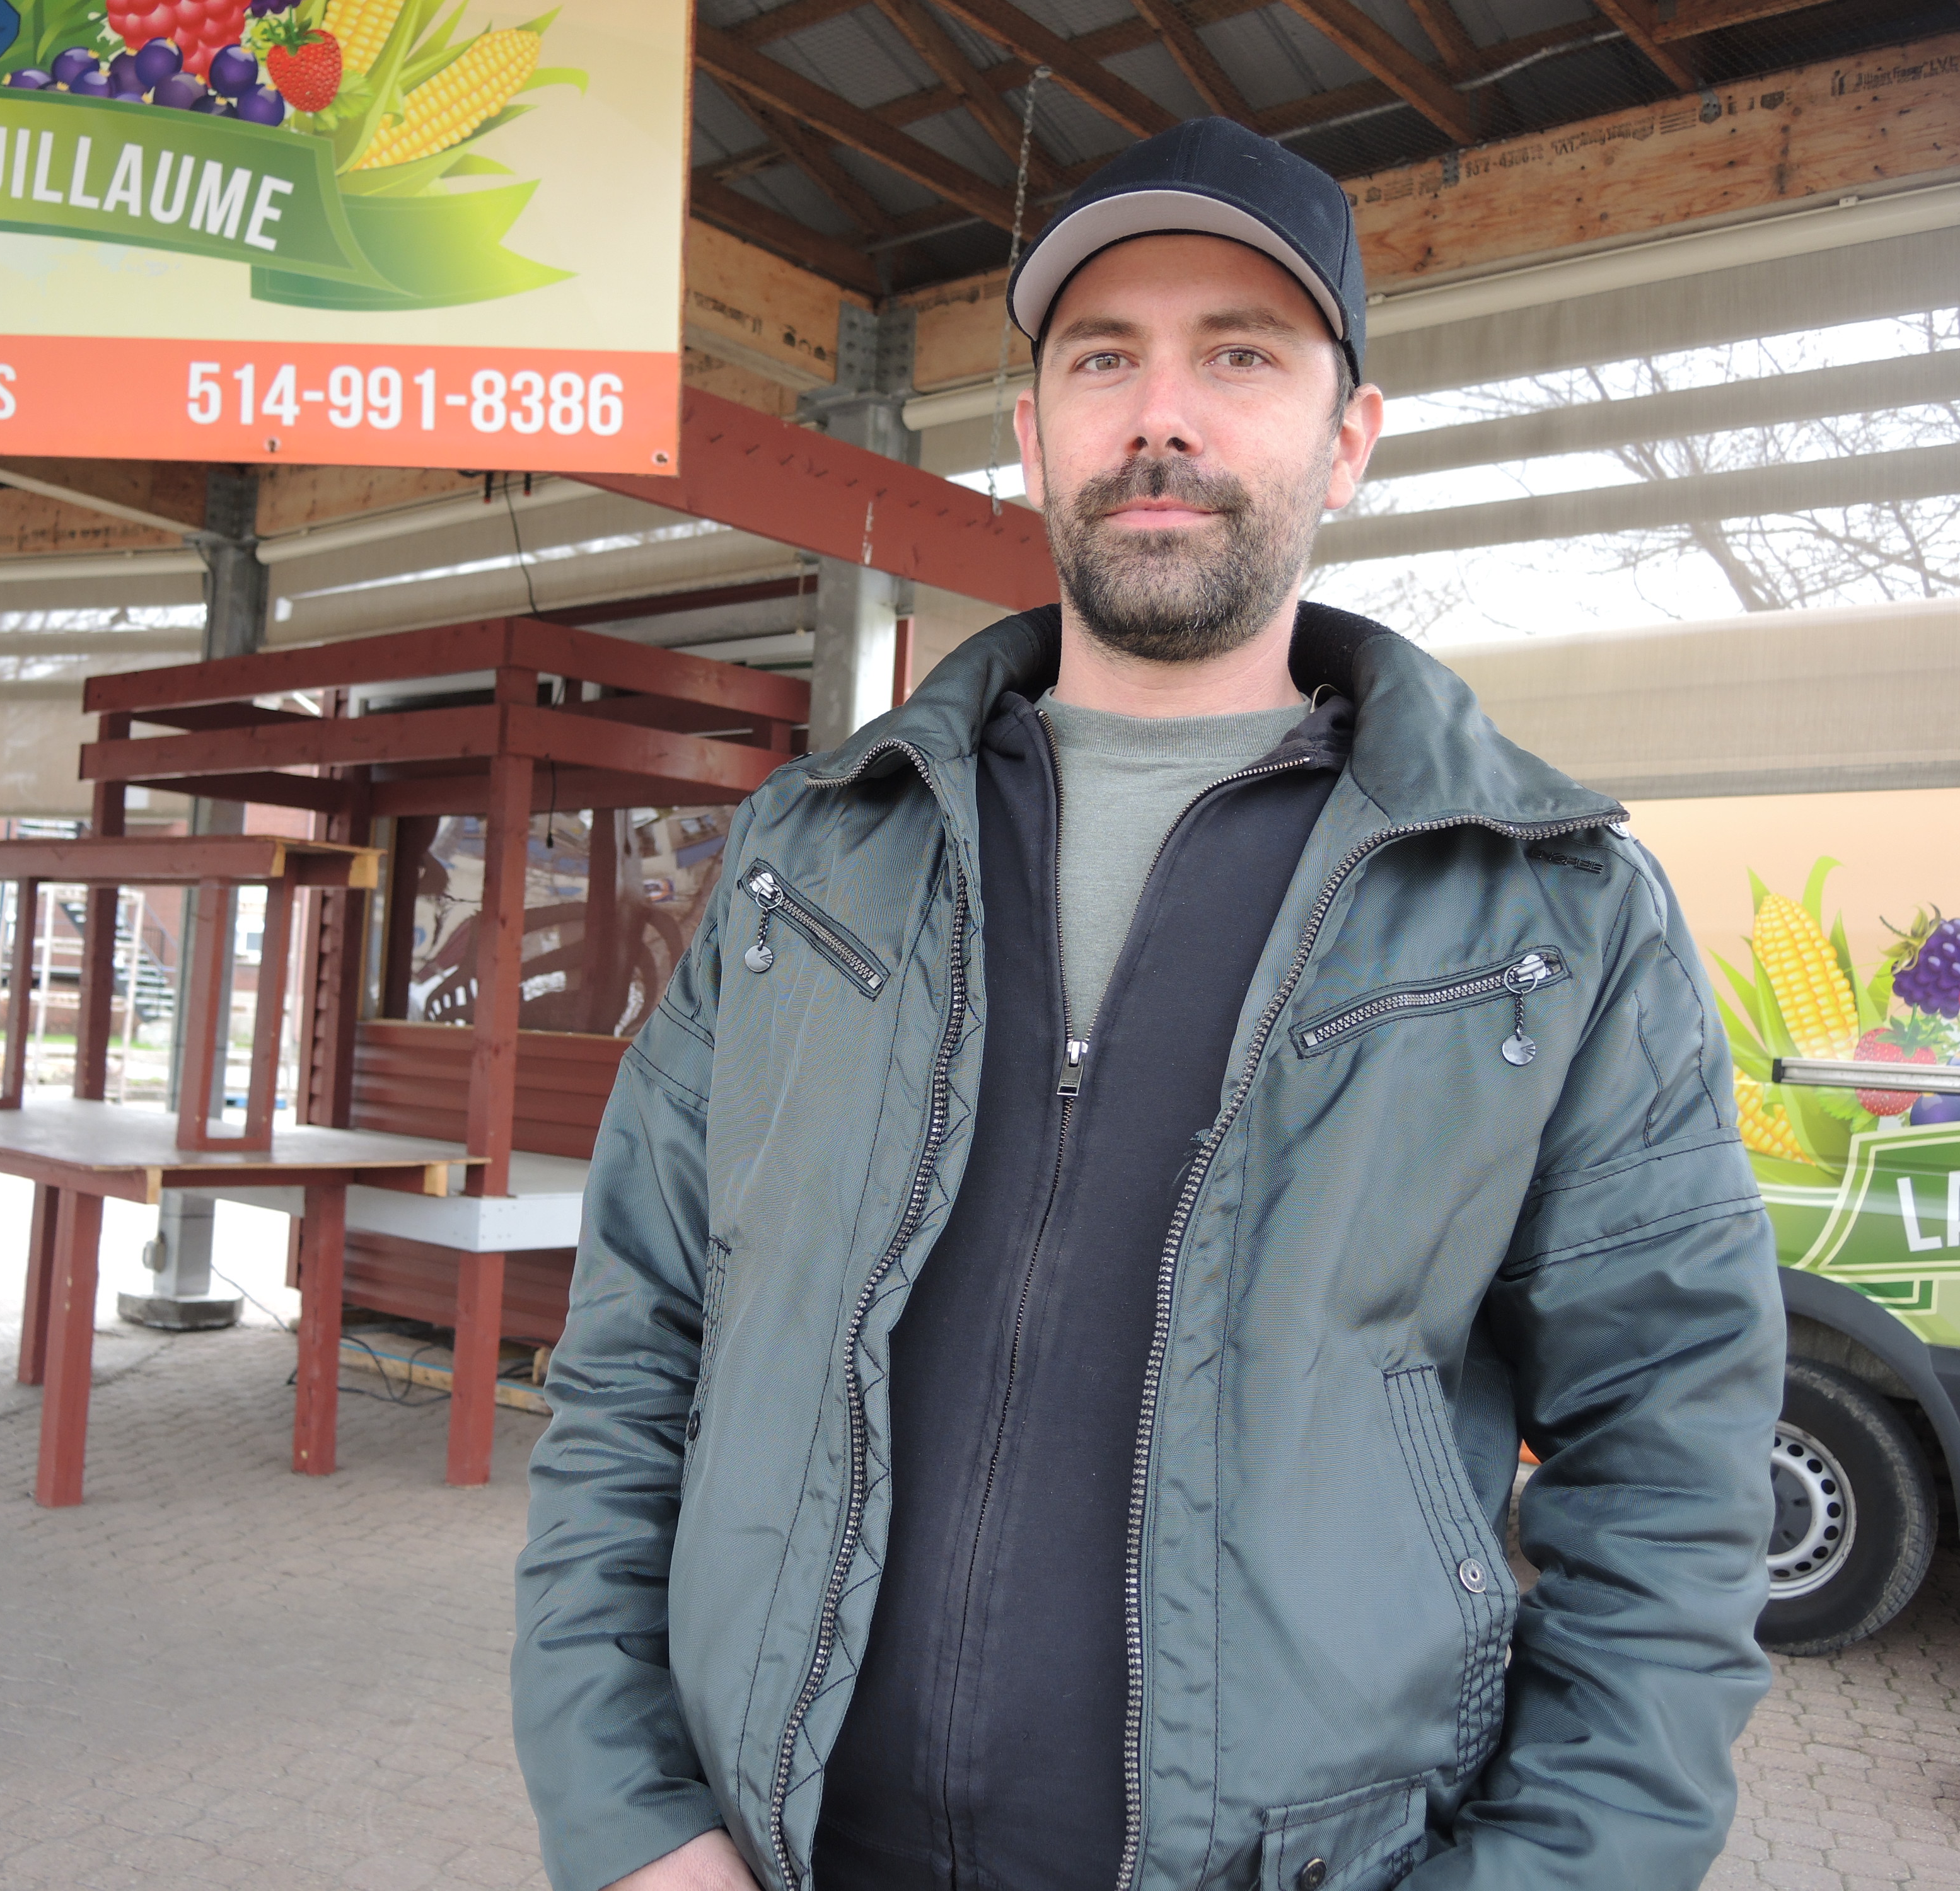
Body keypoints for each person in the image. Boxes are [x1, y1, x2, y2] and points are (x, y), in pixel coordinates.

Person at [513, 114, 1782, 1891]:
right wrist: (633, 1817)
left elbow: (1674, 1477)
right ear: (1033, 437)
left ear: (1349, 442)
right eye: (1105, 358)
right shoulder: (816, 860)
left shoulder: (1547, 909)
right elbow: (635, 1361)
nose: (1161, 415)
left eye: (1239, 357)